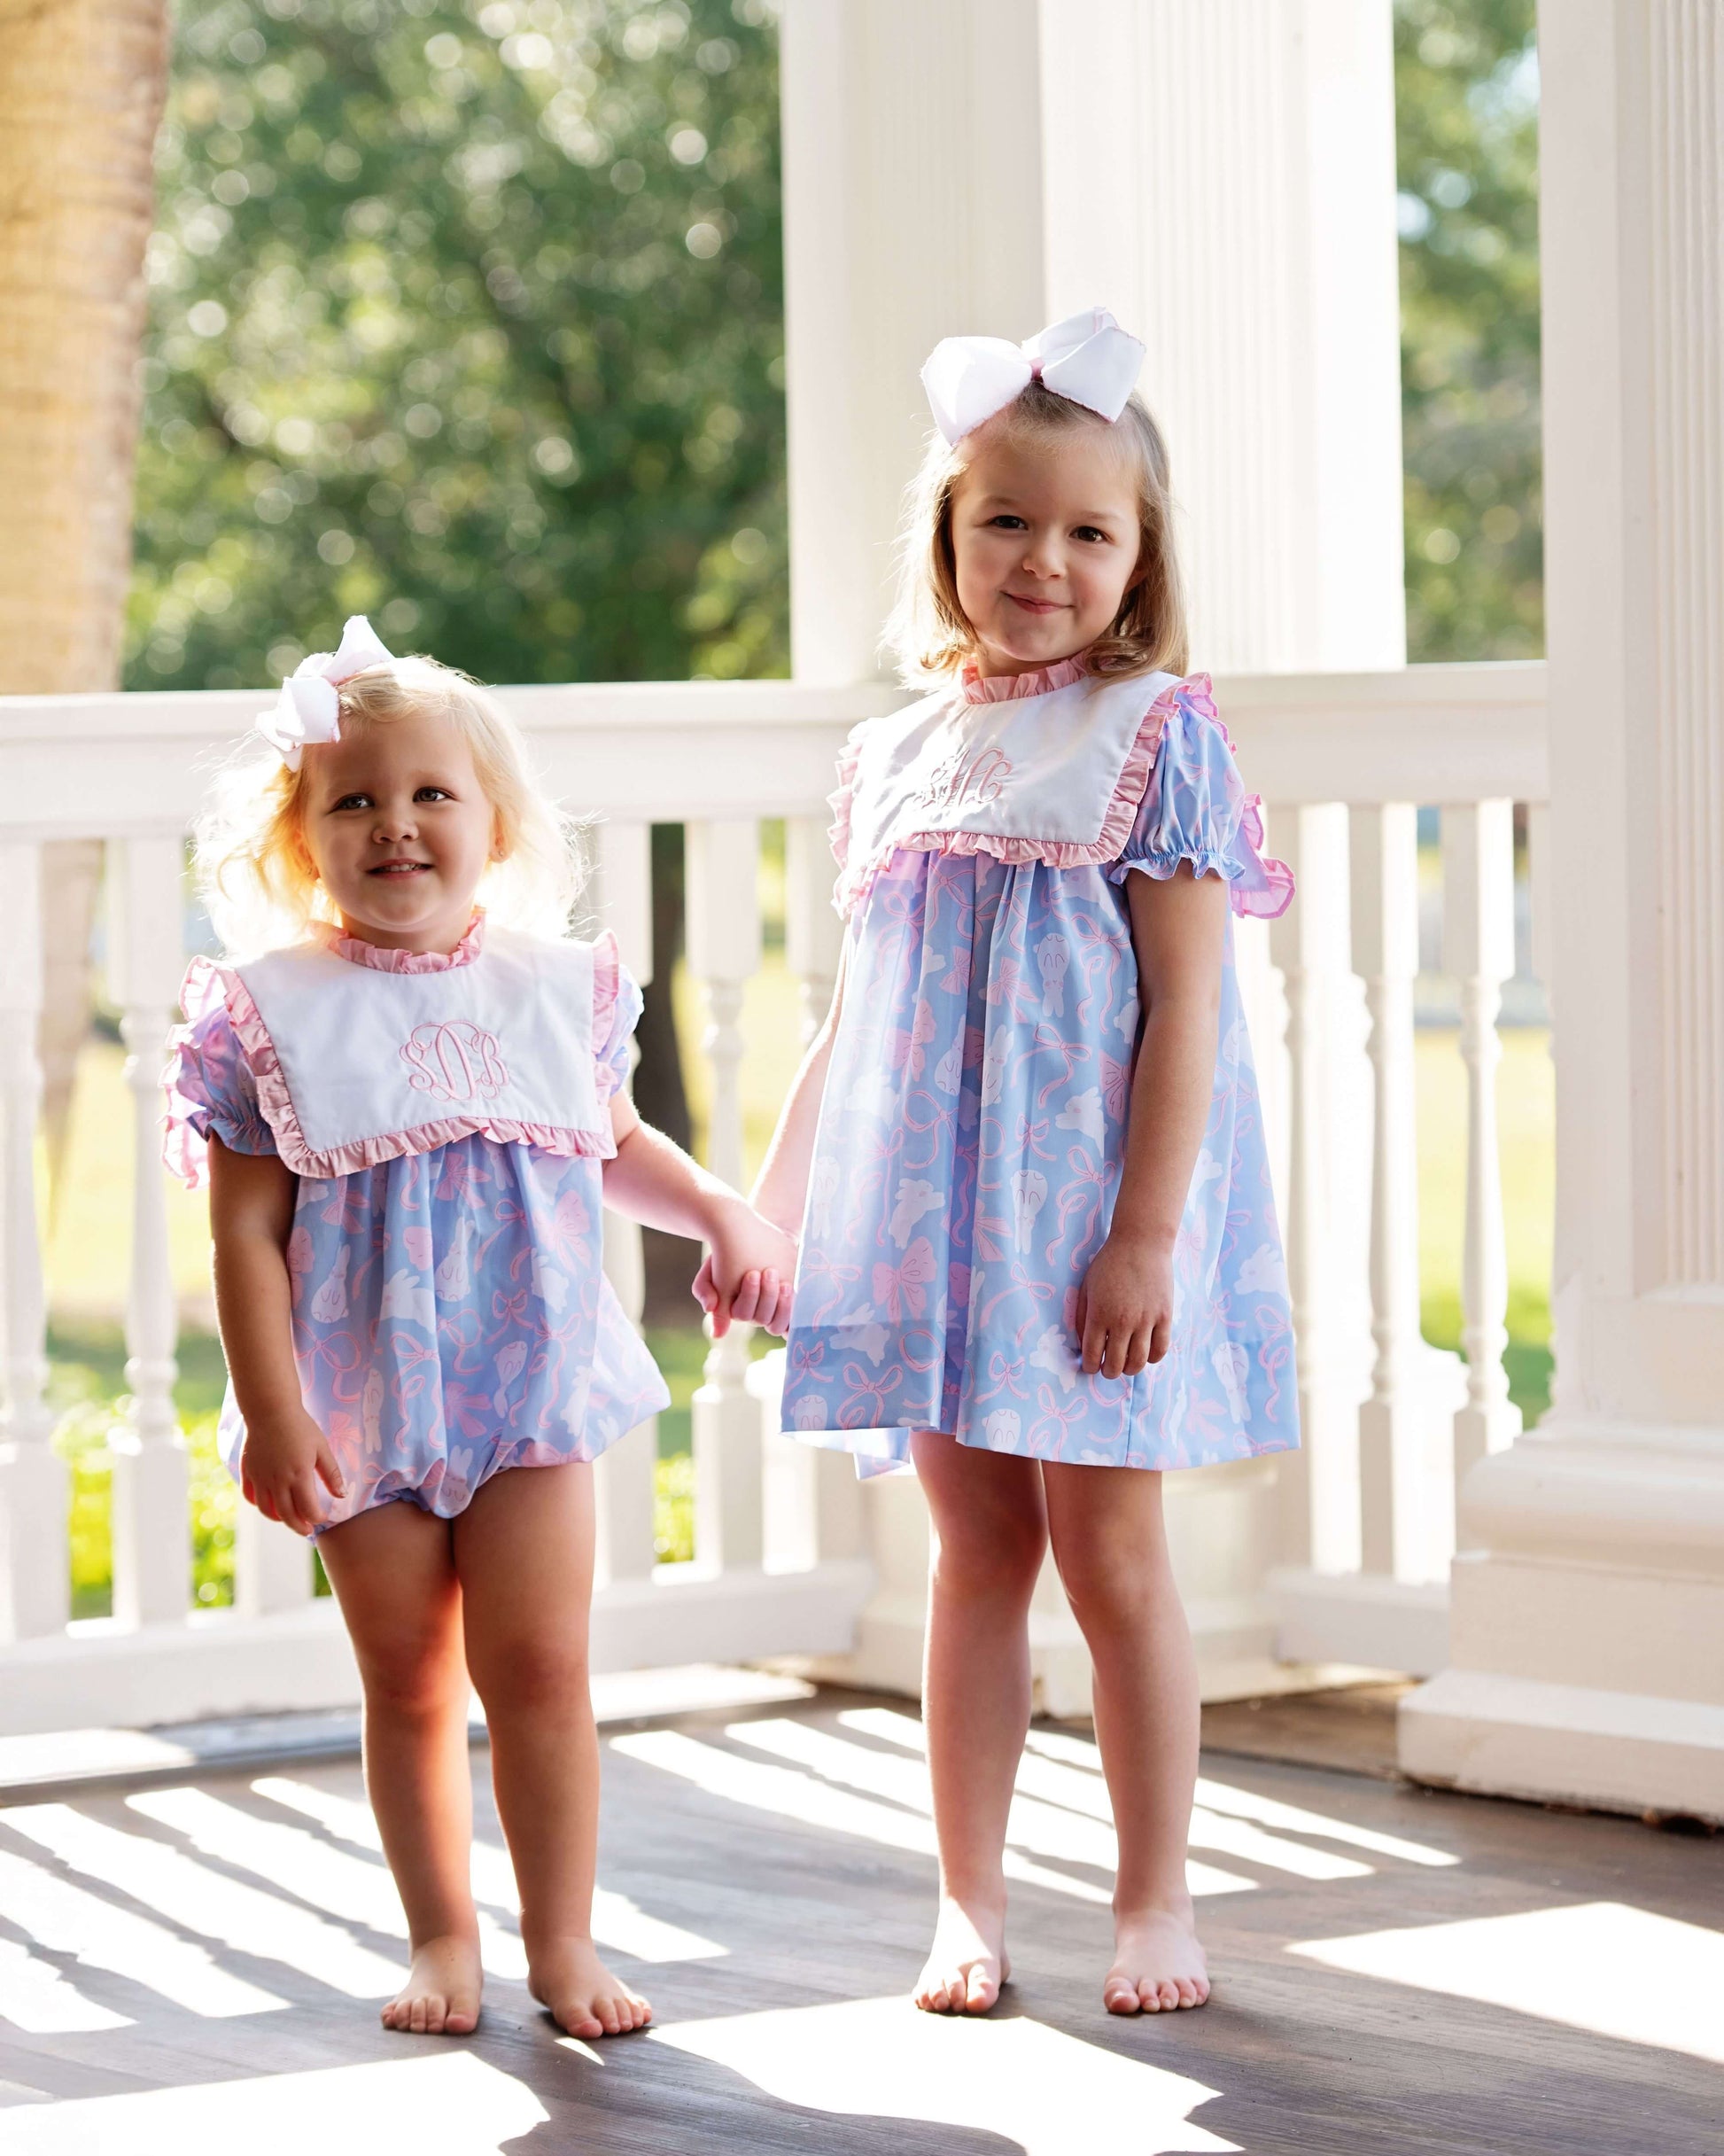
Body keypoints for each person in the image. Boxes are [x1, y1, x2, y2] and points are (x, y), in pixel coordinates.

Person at [740, 309, 1299, 2019]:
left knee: (1111, 1555)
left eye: (1085, 530)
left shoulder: (1152, 733)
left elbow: (1188, 1008)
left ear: (1136, 560)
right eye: (1003, 521)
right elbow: (859, 1015)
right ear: (945, 539)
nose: (1040, 559)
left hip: (1081, 1223)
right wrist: (775, 1208)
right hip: (924, 1221)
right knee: (973, 1557)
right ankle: (966, 1903)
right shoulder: (893, 756)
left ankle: (1151, 1897)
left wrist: (1142, 1237)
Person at [167, 619, 795, 2040]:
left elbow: (613, 1142)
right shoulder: (270, 1017)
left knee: (542, 1672)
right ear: (298, 838)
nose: (395, 824)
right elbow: (244, 1237)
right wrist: (274, 1410)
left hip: (529, 1389)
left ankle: (562, 1940)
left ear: (491, 818)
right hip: (355, 1403)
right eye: (354, 800)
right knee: (405, 1680)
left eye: (429, 794)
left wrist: (724, 1215)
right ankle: (441, 1934)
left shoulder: (548, 988)